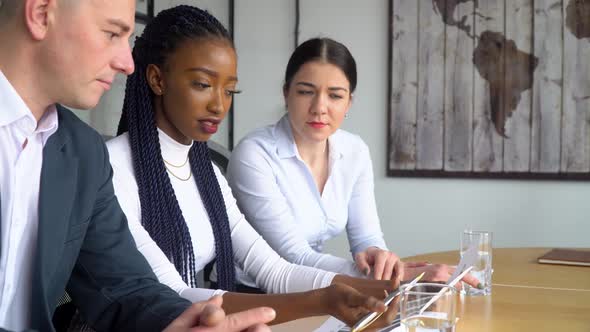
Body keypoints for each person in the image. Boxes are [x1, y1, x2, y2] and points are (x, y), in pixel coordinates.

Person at [106, 5, 400, 327]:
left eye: (229, 90)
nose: (219, 105)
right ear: (157, 79)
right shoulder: (111, 169)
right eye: (203, 84)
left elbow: (276, 271)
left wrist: (390, 289)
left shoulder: (208, 176)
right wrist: (324, 299)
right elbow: (173, 294)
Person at [0, 0, 275, 331]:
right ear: (41, 14)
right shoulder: (111, 158)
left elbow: (124, 286)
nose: (127, 64)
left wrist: (185, 322)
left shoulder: (83, 152)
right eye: (112, 33)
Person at [227, 37, 480, 287]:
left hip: (319, 287)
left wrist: (381, 261)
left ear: (349, 101)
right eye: (305, 92)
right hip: (254, 292)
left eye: (335, 96)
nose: (319, 107)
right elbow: (293, 255)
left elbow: (367, 239)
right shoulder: (254, 155)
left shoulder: (354, 150)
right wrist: (401, 275)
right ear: (286, 93)